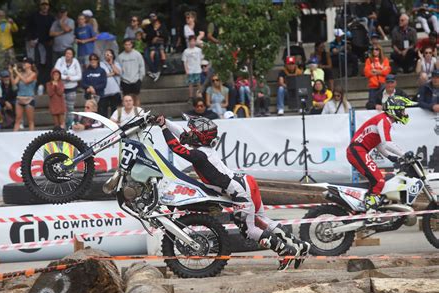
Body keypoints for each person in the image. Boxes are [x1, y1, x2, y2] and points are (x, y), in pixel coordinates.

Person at [155, 115, 311, 270]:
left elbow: (177, 148)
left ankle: (285, 251)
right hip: (245, 182)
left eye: (192, 131)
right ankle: (299, 245)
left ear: (199, 136)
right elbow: (182, 134)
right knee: (261, 219)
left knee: (249, 230)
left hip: (239, 191)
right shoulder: (203, 150)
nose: (189, 133)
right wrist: (165, 121)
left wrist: (163, 128)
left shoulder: (199, 155)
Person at [347, 96, 415, 219]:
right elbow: (386, 143)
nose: (405, 113)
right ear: (396, 110)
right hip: (357, 150)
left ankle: (365, 208)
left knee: (376, 180)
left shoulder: (384, 119)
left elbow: (378, 143)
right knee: (379, 181)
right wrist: (404, 154)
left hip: (358, 150)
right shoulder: (384, 120)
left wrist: (391, 157)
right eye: (403, 110)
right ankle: (370, 213)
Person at [25, 0, 55, 87]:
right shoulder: (34, 16)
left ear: (49, 6)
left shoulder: (51, 17)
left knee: (47, 64)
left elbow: (53, 31)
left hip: (47, 44)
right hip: (35, 43)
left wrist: (52, 39)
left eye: (46, 5)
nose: (45, 7)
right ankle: (37, 83)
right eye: (43, 5)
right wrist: (30, 39)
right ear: (40, 6)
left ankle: (46, 83)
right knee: (36, 63)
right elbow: (28, 28)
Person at [54, 47, 82, 128]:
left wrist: (71, 78)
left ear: (73, 55)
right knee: (61, 108)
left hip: (72, 87)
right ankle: (61, 126)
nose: (68, 55)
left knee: (70, 108)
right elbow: (56, 72)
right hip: (61, 88)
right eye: (66, 53)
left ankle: (69, 125)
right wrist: (64, 77)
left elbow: (79, 76)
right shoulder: (60, 60)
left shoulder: (76, 62)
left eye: (70, 54)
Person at [9, 57, 37, 131]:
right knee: (17, 120)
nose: (24, 64)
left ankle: (32, 137)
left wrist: (16, 71)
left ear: (30, 65)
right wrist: (12, 73)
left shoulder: (33, 74)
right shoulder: (21, 73)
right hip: (19, 98)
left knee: (30, 121)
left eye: (26, 63)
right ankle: (14, 136)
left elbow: (26, 81)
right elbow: (14, 84)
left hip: (29, 99)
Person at [145, 13, 169, 81]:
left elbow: (166, 36)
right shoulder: (149, 27)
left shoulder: (162, 26)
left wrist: (158, 38)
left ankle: (157, 70)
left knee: (158, 54)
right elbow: (147, 37)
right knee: (148, 55)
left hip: (160, 44)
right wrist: (153, 38)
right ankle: (154, 71)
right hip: (151, 45)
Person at [99, 49, 122, 118]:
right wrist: (113, 73)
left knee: (115, 110)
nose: (107, 56)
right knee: (103, 110)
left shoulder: (116, 63)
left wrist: (111, 64)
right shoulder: (101, 64)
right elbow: (102, 75)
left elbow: (118, 72)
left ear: (112, 55)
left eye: (109, 54)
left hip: (115, 91)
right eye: (106, 54)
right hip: (105, 91)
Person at [182, 35, 204, 101]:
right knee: (190, 84)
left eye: (194, 41)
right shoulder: (186, 51)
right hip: (190, 70)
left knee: (198, 83)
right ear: (189, 42)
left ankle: (200, 96)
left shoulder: (199, 50)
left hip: (197, 69)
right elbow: (184, 61)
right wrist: (186, 70)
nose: (192, 43)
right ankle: (190, 97)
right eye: (191, 41)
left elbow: (202, 58)